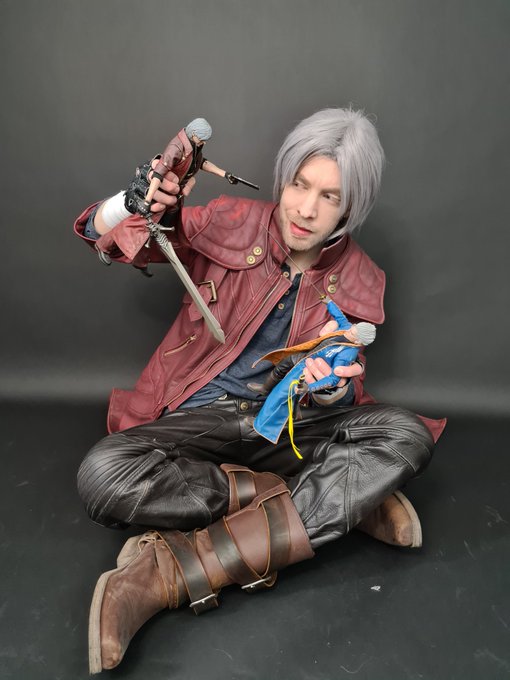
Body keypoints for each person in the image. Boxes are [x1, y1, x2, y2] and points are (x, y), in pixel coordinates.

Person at [74, 107, 445, 674]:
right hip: (203, 422)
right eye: (299, 185)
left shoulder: (363, 278)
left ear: (351, 207)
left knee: (405, 434)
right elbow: (105, 237)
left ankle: (166, 573)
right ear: (283, 180)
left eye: (329, 196)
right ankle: (332, 499)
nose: (306, 209)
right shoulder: (231, 218)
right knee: (103, 474)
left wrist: (328, 393)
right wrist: (136, 201)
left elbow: (345, 386)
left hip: (288, 428)